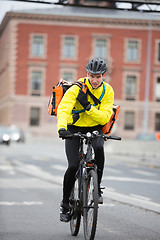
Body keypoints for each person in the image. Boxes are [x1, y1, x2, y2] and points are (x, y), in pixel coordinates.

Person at [57, 58, 114, 222]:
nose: (95, 80)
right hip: (74, 127)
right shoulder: (77, 87)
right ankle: (65, 203)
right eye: (91, 76)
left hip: (95, 127)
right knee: (73, 165)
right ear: (87, 74)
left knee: (99, 148)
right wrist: (62, 128)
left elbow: (104, 118)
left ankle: (98, 188)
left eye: (98, 76)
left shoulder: (108, 91)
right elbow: (64, 108)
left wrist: (87, 106)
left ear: (103, 76)